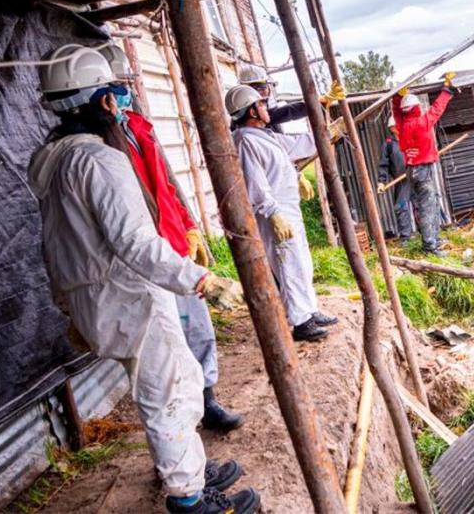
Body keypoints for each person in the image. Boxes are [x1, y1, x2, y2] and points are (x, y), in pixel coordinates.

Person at [31, 44, 259, 513]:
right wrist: (200, 280)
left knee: (174, 383)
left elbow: (54, 247)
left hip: (99, 299)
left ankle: (188, 468)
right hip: (129, 295)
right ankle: (189, 498)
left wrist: (66, 304)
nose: (122, 100)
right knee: (168, 393)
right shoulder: (97, 160)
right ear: (105, 103)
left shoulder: (50, 160)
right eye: (116, 92)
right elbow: (135, 243)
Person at [98, 44, 242, 432]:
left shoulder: (137, 128)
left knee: (197, 328)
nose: (126, 92)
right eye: (118, 85)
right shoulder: (100, 147)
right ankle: (185, 419)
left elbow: (165, 186)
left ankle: (207, 399)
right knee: (166, 345)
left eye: (127, 83)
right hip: (141, 256)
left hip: (172, 244)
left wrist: (187, 224)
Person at [225, 84, 339, 342]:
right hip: (274, 212)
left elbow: (297, 145)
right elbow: (255, 183)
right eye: (262, 105)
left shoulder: (264, 136)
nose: (267, 108)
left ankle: (309, 310)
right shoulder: (245, 141)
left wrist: (327, 132)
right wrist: (273, 212)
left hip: (288, 208)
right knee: (288, 263)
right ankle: (300, 322)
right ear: (251, 111)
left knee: (301, 261)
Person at [391, 72, 458, 256]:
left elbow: (396, 112)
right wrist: (446, 89)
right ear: (415, 108)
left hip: (412, 169)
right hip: (422, 169)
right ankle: (430, 246)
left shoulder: (403, 125)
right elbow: (437, 108)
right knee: (428, 206)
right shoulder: (421, 123)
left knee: (430, 203)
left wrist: (398, 97)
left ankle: (434, 239)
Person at [236, 63, 345, 133]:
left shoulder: (259, 114)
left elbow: (282, 113)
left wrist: (321, 101)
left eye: (264, 88)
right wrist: (329, 133)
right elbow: (287, 112)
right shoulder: (248, 121)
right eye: (259, 89)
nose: (264, 93)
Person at [376, 115, 414, 240]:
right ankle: (405, 238)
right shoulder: (389, 145)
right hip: (402, 180)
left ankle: (428, 234)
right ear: (392, 128)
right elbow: (383, 164)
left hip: (418, 175)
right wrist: (381, 182)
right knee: (401, 207)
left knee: (423, 204)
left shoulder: (411, 138)